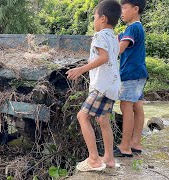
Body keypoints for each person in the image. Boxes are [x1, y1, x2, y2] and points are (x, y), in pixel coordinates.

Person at [66, 0, 121, 171]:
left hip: (102, 86)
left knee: (82, 116)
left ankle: (94, 159)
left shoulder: (99, 36)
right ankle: (109, 159)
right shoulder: (113, 37)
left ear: (103, 18)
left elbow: (103, 58)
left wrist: (81, 69)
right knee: (103, 119)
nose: (94, 21)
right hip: (113, 86)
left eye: (95, 17)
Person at [114, 0, 148, 157]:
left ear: (135, 9)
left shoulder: (132, 28)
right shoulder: (137, 27)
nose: (122, 11)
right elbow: (117, 38)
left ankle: (125, 146)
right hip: (139, 73)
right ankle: (136, 143)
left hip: (131, 74)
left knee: (126, 107)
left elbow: (119, 49)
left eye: (124, 8)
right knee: (137, 107)